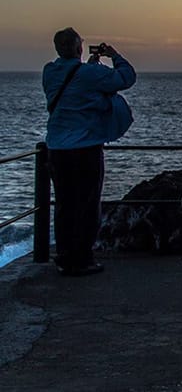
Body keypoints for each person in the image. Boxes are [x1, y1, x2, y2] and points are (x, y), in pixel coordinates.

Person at [43, 27, 136, 276]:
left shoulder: (49, 72)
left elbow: (75, 82)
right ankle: (82, 259)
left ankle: (64, 256)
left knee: (64, 204)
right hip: (84, 149)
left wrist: (90, 67)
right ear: (78, 48)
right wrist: (114, 55)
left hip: (56, 148)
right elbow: (126, 78)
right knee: (86, 204)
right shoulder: (89, 74)